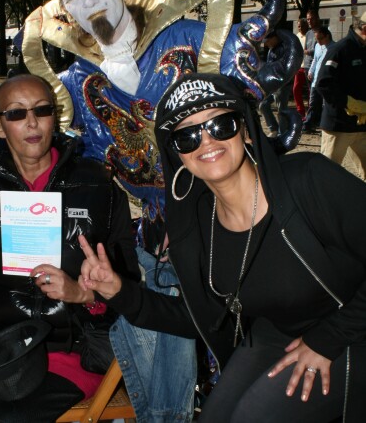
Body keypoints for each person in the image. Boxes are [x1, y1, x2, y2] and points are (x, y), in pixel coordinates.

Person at [19, 0, 325, 420]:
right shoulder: (74, 88)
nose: (89, 1)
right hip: (156, 241)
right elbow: (69, 169)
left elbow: (252, 124)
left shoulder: (194, 38)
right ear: (64, 10)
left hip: (235, 227)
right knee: (159, 358)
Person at [79, 71, 366, 422]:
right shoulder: (198, 221)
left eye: (220, 125)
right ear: (176, 155)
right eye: (186, 136)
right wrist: (119, 291)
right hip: (278, 331)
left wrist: (330, 337)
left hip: (352, 326)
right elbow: (204, 319)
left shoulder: (309, 180)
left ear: (245, 128)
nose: (206, 142)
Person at [0, 74, 140, 422]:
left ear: (56, 117)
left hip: (73, 345)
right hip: (2, 345)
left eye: (42, 110)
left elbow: (129, 288)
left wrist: (82, 295)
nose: (32, 122)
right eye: (17, 114)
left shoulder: (97, 185)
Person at [316, 12, 366, 179]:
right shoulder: (340, 49)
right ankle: (319, 205)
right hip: (338, 127)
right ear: (365, 29)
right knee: (326, 175)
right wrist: (348, 102)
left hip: (362, 126)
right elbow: (323, 83)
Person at [259, 32, 295, 137]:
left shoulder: (284, 49)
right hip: (272, 84)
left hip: (283, 83)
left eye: (267, 41)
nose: (266, 44)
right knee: (263, 105)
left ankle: (282, 133)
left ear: (274, 38)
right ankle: (273, 128)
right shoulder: (271, 49)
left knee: (281, 109)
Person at [303, 26, 334, 132]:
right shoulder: (317, 46)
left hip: (327, 81)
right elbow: (315, 60)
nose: (319, 41)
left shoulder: (333, 48)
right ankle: (308, 124)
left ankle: (324, 125)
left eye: (320, 38)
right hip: (316, 79)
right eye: (317, 39)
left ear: (327, 36)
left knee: (325, 104)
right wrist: (311, 71)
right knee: (313, 103)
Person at [293, 17, 309, 119]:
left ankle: (311, 113)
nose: (300, 28)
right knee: (296, 89)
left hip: (308, 67)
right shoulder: (297, 36)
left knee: (310, 92)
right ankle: (300, 111)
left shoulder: (310, 35)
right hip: (299, 67)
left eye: (302, 26)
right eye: (299, 26)